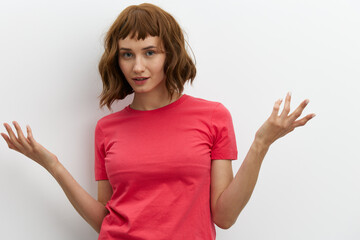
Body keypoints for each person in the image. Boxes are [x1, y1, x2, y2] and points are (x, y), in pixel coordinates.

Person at [1, 3, 315, 240]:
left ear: (170, 55)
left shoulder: (213, 117)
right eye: (127, 54)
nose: (137, 66)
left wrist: (262, 143)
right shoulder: (106, 130)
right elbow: (105, 219)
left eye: (150, 52)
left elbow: (225, 216)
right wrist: (51, 164)